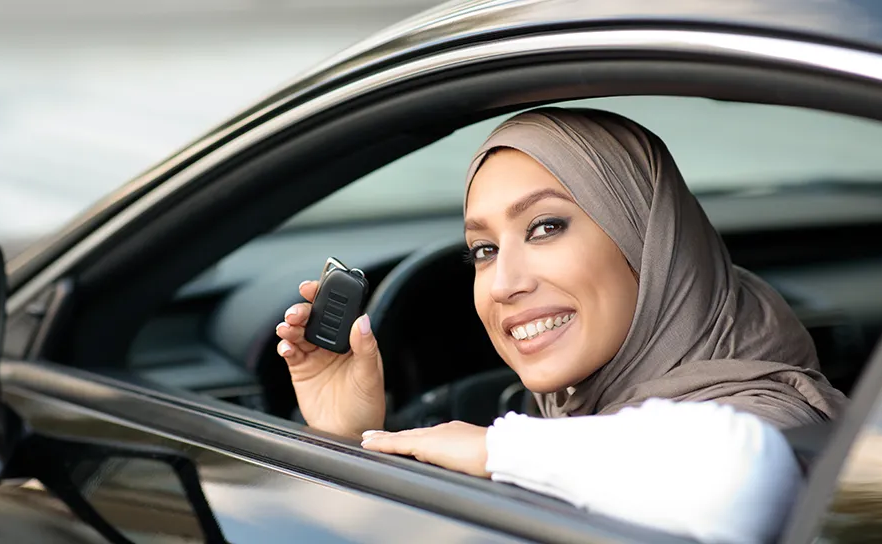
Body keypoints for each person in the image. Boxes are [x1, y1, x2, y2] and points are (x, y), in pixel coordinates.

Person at [274, 107, 849, 543]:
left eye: (546, 227)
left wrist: (496, 451)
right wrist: (345, 444)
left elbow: (737, 479)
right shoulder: (578, 415)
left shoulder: (771, 422)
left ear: (647, 244)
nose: (503, 283)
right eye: (483, 249)